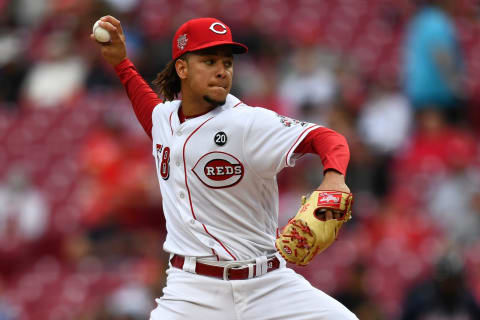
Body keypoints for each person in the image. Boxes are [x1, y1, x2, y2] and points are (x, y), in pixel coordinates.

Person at [91, 15, 357, 320]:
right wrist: (122, 64)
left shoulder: (249, 123)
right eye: (209, 61)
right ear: (182, 68)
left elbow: (327, 138)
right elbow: (149, 112)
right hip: (191, 292)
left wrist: (334, 179)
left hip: (267, 286)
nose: (221, 71)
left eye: (227, 63)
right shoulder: (165, 119)